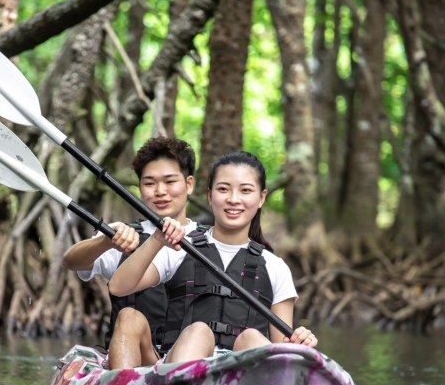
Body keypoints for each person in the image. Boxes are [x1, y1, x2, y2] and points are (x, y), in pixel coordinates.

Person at [109, 150, 317, 364]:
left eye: (245, 190)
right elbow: (118, 287)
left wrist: (298, 343)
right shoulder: (180, 247)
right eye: (223, 189)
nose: (233, 199)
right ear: (210, 196)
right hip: (178, 367)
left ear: (261, 197)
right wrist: (156, 240)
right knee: (194, 330)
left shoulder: (275, 266)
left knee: (251, 338)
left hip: (242, 376)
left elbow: (282, 346)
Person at [62, 137, 199, 369]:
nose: (160, 192)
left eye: (170, 181)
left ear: (189, 184)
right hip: (133, 356)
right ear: (140, 187)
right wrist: (105, 241)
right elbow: (71, 261)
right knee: (129, 316)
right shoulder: (123, 236)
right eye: (149, 183)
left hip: (186, 360)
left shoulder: (209, 240)